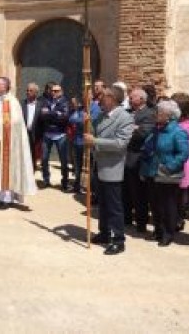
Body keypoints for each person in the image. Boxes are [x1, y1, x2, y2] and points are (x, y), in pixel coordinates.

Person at [84, 86, 134, 255]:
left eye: (103, 96)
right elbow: (92, 133)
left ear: (112, 98)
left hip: (113, 167)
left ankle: (118, 239)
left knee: (114, 206)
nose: (99, 98)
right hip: (99, 165)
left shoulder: (125, 117)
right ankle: (104, 232)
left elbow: (121, 144)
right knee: (103, 204)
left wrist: (95, 141)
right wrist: (87, 122)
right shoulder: (101, 115)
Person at [0, 77, 37, 209]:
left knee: (3, 168)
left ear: (5, 86)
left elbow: (16, 122)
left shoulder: (12, 102)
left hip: (5, 143)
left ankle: (5, 198)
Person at [139, 100, 189, 247]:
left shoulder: (178, 131)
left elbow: (184, 153)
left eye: (159, 112)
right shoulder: (157, 129)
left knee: (168, 205)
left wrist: (169, 167)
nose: (156, 114)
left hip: (168, 174)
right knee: (155, 204)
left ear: (169, 116)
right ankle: (158, 230)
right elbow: (147, 147)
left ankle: (168, 233)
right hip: (153, 172)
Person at [123, 88, 156, 232]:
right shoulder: (128, 112)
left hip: (137, 157)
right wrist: (132, 128)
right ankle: (126, 218)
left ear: (142, 99)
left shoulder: (149, 114)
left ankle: (141, 222)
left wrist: (130, 129)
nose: (130, 99)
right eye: (129, 97)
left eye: (133, 97)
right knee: (126, 190)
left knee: (138, 192)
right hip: (125, 156)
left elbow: (142, 133)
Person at [39, 82, 70, 190]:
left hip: (60, 134)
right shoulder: (46, 101)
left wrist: (50, 113)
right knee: (44, 158)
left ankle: (65, 182)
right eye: (52, 90)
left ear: (61, 92)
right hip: (47, 134)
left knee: (63, 160)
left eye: (56, 91)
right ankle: (46, 180)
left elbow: (65, 117)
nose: (53, 92)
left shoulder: (65, 102)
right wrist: (56, 113)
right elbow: (42, 116)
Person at [171, 92, 189, 232]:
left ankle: (179, 218)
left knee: (180, 194)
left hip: (181, 162)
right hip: (170, 162)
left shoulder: (187, 125)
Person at [21, 83, 43, 170]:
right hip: (24, 132)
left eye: (30, 90)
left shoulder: (41, 105)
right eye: (27, 90)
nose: (28, 92)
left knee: (34, 152)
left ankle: (32, 170)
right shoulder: (21, 103)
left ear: (36, 93)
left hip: (36, 133)